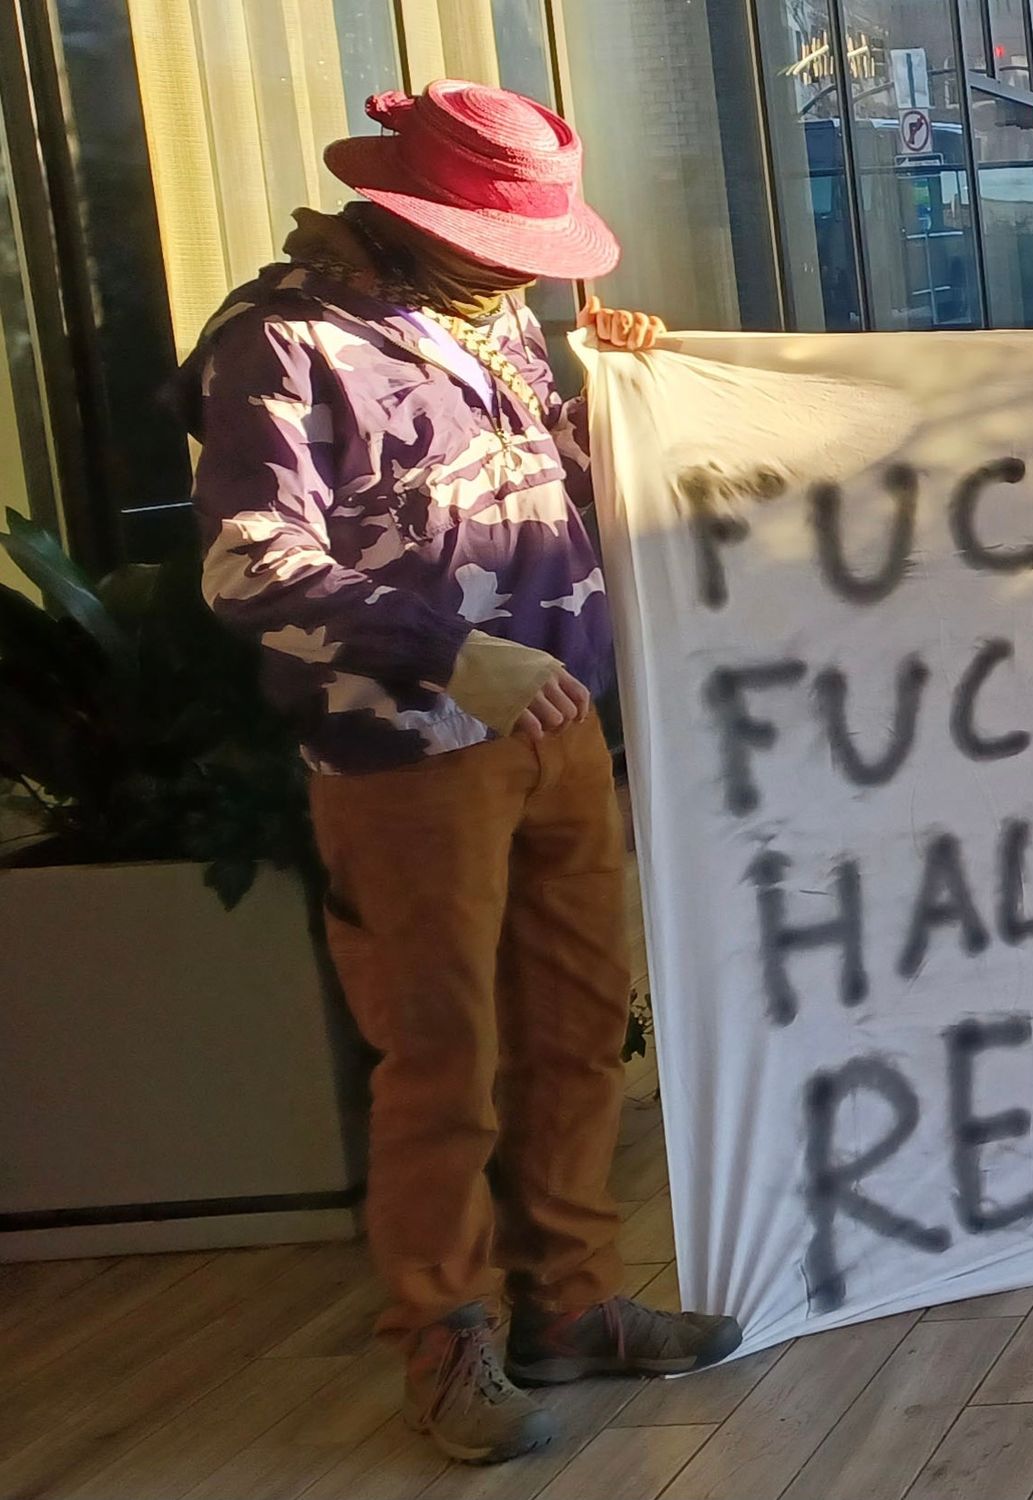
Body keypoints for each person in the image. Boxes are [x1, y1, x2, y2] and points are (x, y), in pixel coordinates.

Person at [170, 80, 739, 1466]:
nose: (530, 258)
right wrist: (444, 654)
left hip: (557, 729)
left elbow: (564, 504)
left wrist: (632, 400)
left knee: (577, 1023)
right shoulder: (281, 342)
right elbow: (250, 559)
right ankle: (445, 1341)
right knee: (441, 1056)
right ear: (418, 216)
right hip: (404, 751)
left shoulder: (509, 329)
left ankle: (573, 1302)